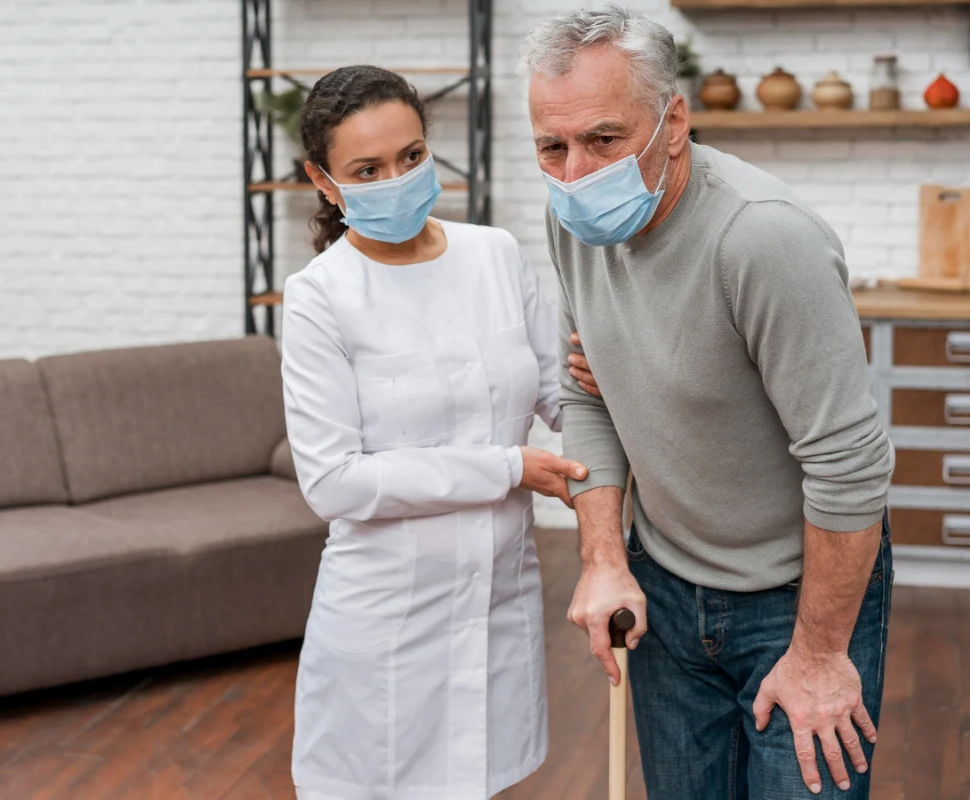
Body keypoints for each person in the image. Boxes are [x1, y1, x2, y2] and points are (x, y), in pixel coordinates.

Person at [522, 7, 895, 799]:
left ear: (674, 121)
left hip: (801, 596)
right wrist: (603, 558)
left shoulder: (762, 239)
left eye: (604, 138)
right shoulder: (573, 222)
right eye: (553, 147)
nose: (575, 174)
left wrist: (819, 653)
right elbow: (587, 398)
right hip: (664, 584)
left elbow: (850, 467)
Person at [280, 64, 595, 800]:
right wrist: (509, 468)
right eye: (368, 170)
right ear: (324, 181)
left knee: (483, 781)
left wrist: (608, 382)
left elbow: (559, 395)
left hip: (498, 601)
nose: (396, 180)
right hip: (385, 617)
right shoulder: (320, 297)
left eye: (411, 156)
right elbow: (334, 482)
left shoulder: (494, 254)